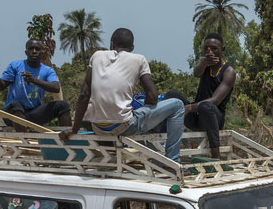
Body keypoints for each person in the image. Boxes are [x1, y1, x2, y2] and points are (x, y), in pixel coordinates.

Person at [59, 28, 185, 163]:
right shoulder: (139, 59)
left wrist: (74, 129)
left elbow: (84, 94)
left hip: (98, 127)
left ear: (111, 44)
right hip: (125, 127)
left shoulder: (96, 56)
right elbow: (153, 96)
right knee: (178, 105)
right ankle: (172, 161)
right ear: (132, 47)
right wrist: (147, 107)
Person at [163, 33, 236, 159]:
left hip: (213, 118)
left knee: (206, 106)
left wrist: (190, 108)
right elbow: (197, 73)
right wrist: (204, 63)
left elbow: (216, 100)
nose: (210, 52)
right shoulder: (204, 63)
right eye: (207, 48)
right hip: (196, 118)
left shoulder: (229, 72)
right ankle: (160, 135)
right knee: (172, 95)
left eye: (214, 48)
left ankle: (216, 156)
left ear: (222, 49)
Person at [0, 39, 71, 130]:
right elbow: (0, 87)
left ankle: (69, 140)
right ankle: (25, 142)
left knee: (62, 105)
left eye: (37, 49)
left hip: (33, 114)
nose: (34, 51)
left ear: (42, 52)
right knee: (16, 105)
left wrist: (34, 80)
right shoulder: (15, 66)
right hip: (12, 115)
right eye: (31, 49)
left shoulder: (47, 70)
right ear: (26, 52)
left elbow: (56, 88)